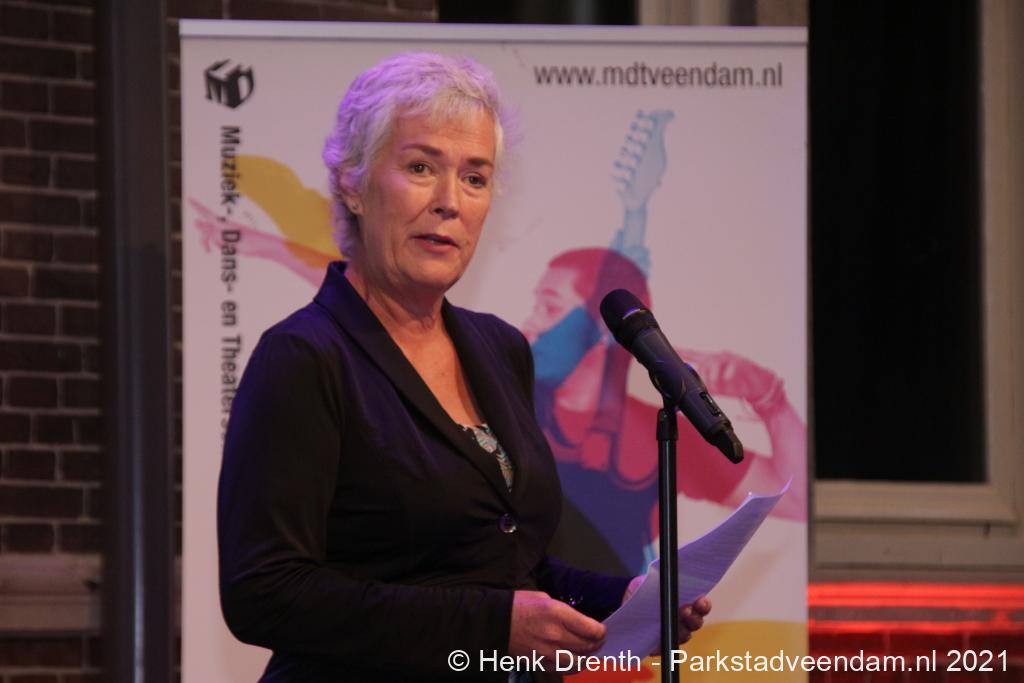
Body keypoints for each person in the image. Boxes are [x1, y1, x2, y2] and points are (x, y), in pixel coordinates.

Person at [217, 52, 710, 683]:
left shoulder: (499, 348)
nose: (449, 202)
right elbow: (263, 592)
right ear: (352, 184)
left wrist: (623, 600)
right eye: (421, 168)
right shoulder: (305, 357)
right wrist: (492, 626)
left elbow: (511, 567)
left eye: (475, 178)